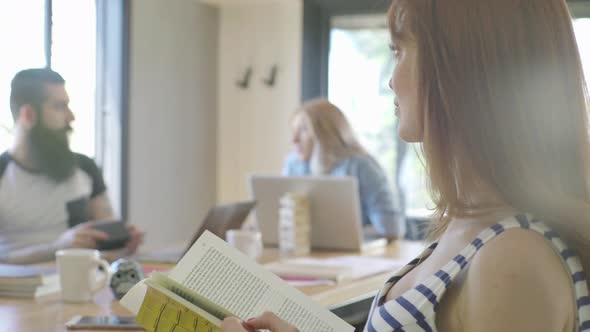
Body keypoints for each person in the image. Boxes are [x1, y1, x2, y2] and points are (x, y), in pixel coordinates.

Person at [222, 0, 590, 330]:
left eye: (398, 52)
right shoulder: (473, 225)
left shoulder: (513, 260)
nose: (391, 80)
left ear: (459, 68)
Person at [0, 68, 143, 264]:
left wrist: (123, 246)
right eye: (60, 107)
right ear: (28, 115)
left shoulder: (85, 168)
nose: (71, 117)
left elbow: (107, 244)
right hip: (15, 290)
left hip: (82, 285)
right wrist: (57, 248)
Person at [283, 99, 405, 238]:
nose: (294, 139)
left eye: (303, 129)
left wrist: (342, 236)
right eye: (294, 130)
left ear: (327, 132)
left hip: (357, 256)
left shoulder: (362, 166)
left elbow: (391, 228)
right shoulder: (293, 164)